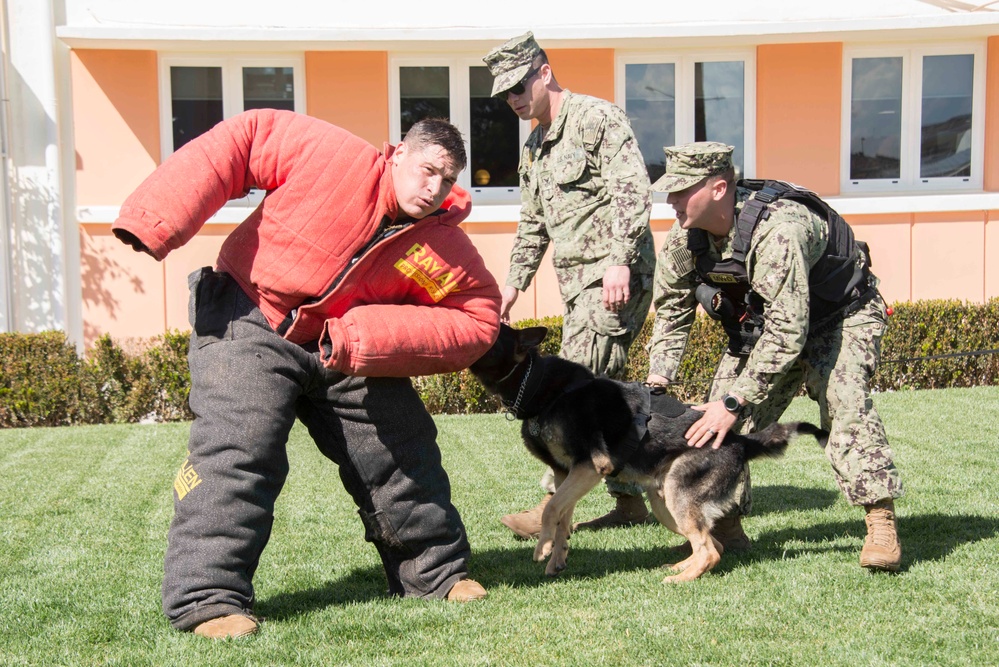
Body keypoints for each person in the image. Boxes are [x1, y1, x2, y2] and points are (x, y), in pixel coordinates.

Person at [112, 109, 502, 638]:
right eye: (427, 170)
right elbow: (244, 137)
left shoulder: (440, 245)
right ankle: (208, 599)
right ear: (399, 154)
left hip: (341, 344)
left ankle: (435, 574)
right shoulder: (326, 152)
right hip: (248, 313)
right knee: (239, 450)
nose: (434, 188)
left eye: (448, 179)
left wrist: (364, 338)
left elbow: (478, 316)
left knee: (401, 447)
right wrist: (157, 216)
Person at [645, 141, 903, 571]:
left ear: (718, 188)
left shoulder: (779, 229)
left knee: (843, 402)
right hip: (773, 324)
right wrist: (657, 382)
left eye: (680, 190)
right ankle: (724, 530)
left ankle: (880, 521)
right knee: (712, 428)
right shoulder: (683, 241)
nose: (670, 201)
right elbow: (672, 309)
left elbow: (790, 330)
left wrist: (734, 400)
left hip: (842, 317)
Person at [482, 31, 657, 539]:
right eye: (504, 94)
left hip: (613, 277)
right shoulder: (534, 149)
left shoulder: (596, 119)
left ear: (543, 71)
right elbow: (533, 224)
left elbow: (633, 192)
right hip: (576, 283)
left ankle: (549, 511)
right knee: (602, 389)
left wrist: (621, 261)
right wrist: (513, 284)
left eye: (518, 86)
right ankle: (629, 501)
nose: (513, 99)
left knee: (572, 386)